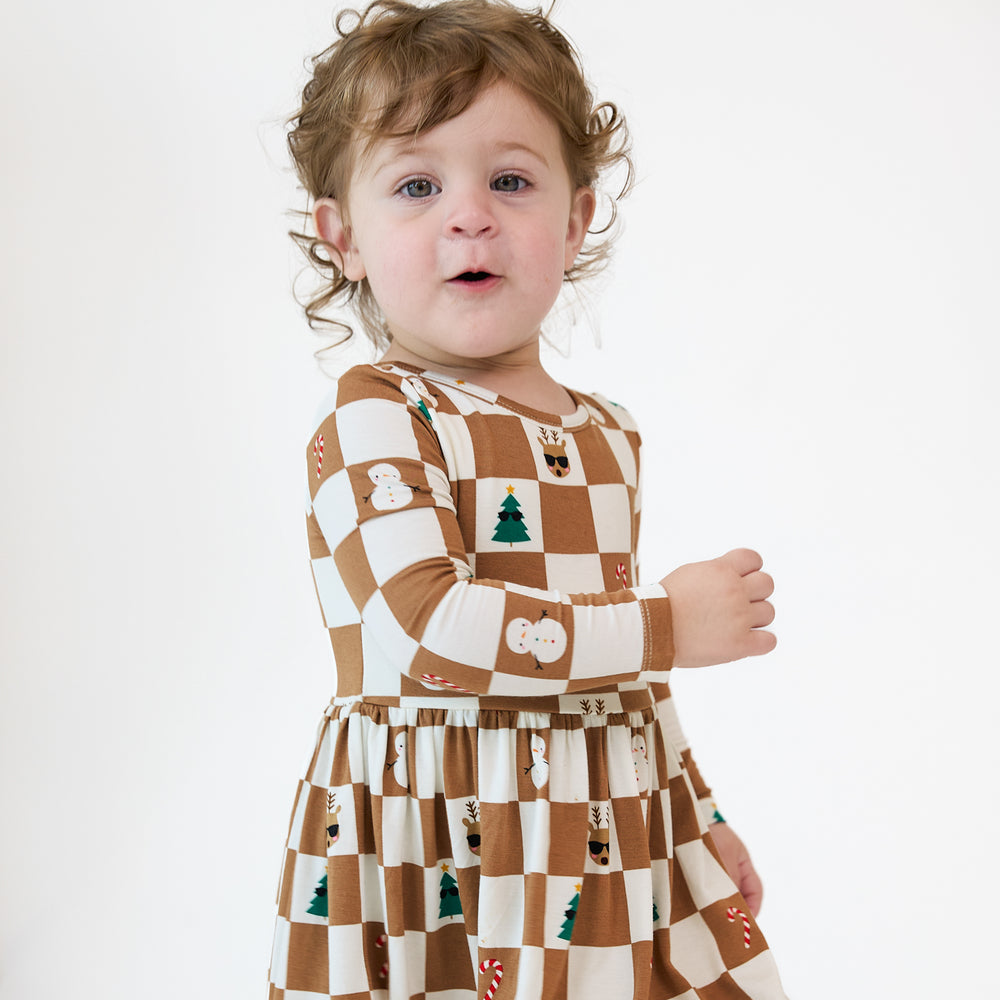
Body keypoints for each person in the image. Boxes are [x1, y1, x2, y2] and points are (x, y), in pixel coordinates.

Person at [268, 2, 787, 997]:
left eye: (510, 181)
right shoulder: (379, 414)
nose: (470, 215)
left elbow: (627, 674)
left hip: (601, 823)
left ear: (577, 216)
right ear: (344, 237)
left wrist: (702, 815)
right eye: (416, 186)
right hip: (439, 838)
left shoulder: (605, 429)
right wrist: (667, 623)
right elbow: (435, 635)